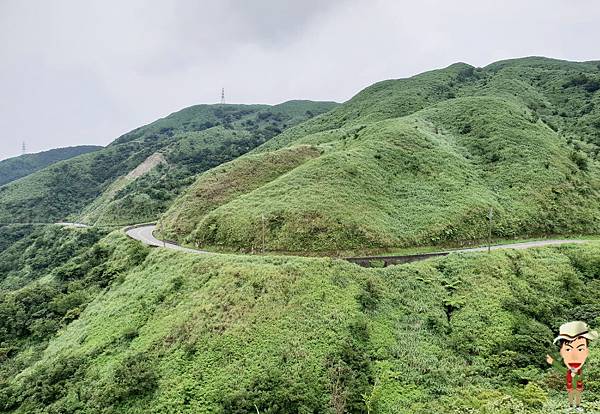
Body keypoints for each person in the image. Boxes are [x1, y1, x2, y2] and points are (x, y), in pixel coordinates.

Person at [546, 321, 598, 411]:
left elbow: (581, 378)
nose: (574, 356)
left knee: (577, 397)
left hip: (578, 388)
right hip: (570, 388)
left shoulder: (580, 371)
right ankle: (570, 406)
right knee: (570, 397)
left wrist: (576, 376)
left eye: (580, 349)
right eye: (568, 349)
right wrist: (552, 361)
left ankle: (577, 406)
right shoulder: (568, 371)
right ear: (561, 352)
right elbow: (561, 368)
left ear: (587, 352)